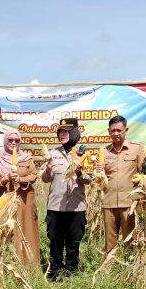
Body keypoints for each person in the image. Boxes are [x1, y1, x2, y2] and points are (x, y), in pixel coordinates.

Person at [42, 118, 92, 280]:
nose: (62, 134)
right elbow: (45, 179)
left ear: (74, 132)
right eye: (60, 132)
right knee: (55, 240)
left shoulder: (84, 154)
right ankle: (55, 271)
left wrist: (79, 173)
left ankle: (71, 271)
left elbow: (90, 179)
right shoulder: (53, 154)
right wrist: (48, 170)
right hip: (55, 206)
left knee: (73, 241)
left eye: (66, 132)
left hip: (76, 207)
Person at [0, 129, 40, 267]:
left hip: (24, 200)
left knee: (26, 230)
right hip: (5, 199)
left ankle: (29, 265)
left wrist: (21, 178)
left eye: (17, 140)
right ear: (5, 140)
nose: (13, 143)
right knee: (7, 230)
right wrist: (7, 178)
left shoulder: (26, 158)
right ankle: (8, 265)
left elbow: (34, 175)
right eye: (10, 140)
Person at [97, 115, 144, 254]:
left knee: (130, 239)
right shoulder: (104, 151)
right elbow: (99, 180)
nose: (116, 133)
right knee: (110, 240)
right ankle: (109, 268)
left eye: (119, 130)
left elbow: (143, 175)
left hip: (129, 203)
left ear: (126, 130)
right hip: (109, 202)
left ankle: (129, 268)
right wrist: (98, 172)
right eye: (113, 131)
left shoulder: (136, 149)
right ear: (109, 132)